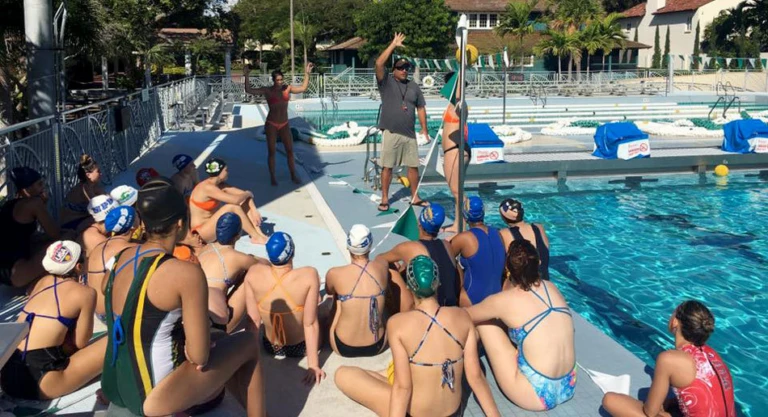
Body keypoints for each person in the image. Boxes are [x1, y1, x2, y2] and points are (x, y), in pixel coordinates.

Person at [100, 177, 266, 417]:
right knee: (247, 344)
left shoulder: (122, 258)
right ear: (180, 224)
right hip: (152, 395)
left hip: (117, 382)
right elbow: (199, 355)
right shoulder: (184, 273)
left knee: (213, 336)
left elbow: (122, 303)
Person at [335, 256, 500, 417]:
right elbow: (476, 378)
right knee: (391, 373)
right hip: (453, 412)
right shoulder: (462, 316)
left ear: (409, 286)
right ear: (438, 283)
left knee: (343, 374)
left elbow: (403, 388)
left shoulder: (398, 324)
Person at [466, 240, 576, 411]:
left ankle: (470, 370)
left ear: (507, 268)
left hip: (535, 395)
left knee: (483, 321)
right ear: (538, 263)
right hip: (568, 384)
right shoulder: (552, 287)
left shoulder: (503, 301)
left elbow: (465, 316)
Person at [0, 240, 107, 400]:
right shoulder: (85, 293)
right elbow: (81, 343)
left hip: (7, 376)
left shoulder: (40, 283)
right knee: (114, 341)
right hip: (41, 381)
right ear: (78, 267)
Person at [602, 300, 736, 417]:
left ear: (675, 322)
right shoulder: (712, 354)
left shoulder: (669, 359)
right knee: (669, 403)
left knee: (611, 400)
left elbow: (650, 412)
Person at [243, 232, 325, 385]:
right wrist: (313, 365)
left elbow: (252, 322)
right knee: (322, 307)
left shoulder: (253, 274)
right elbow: (310, 324)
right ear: (292, 252)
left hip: (271, 346)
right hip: (302, 348)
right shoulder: (309, 275)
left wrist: (251, 364)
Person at [374, 33, 430, 212]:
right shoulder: (387, 83)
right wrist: (393, 45)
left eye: (407, 67)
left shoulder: (414, 86)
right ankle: (384, 198)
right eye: (400, 67)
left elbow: (421, 108)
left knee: (413, 167)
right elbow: (378, 63)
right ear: (394, 70)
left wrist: (424, 129)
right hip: (392, 132)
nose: (404, 70)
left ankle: (414, 196)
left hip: (409, 134)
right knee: (387, 167)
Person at [243, 62, 314, 186]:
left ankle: (293, 175)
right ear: (273, 80)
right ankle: (272, 176)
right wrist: (246, 76)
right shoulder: (268, 90)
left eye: (281, 79)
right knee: (272, 152)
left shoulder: (287, 88)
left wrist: (307, 74)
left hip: (284, 124)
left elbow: (303, 88)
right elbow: (249, 90)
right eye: (278, 80)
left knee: (290, 151)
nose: (280, 82)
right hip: (271, 124)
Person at [377, 204, 460, 307]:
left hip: (427, 309)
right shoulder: (447, 245)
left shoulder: (409, 248)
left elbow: (380, 259)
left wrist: (395, 267)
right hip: (450, 308)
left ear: (419, 223)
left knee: (389, 268)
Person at [325, 224, 389, 357]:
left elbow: (329, 291)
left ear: (348, 246)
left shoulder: (335, 273)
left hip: (343, 346)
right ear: (370, 245)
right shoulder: (382, 267)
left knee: (338, 298)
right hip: (378, 345)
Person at [198, 213, 263, 332]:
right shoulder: (236, 257)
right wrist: (254, 257)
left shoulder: (204, 249)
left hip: (197, 317)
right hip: (217, 326)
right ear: (238, 235)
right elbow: (263, 267)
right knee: (251, 275)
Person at [0, 167, 61, 287]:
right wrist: (44, 205)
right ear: (27, 190)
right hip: (16, 274)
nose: (43, 187)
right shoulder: (34, 204)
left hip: (7, 270)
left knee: (44, 240)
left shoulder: (10, 204)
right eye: (39, 184)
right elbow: (55, 234)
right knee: (66, 239)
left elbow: (21, 237)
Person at [189, 158, 267, 245]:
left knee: (242, 200)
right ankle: (256, 236)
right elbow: (236, 200)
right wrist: (248, 193)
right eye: (226, 170)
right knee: (232, 207)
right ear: (219, 172)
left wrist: (254, 209)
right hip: (200, 233)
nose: (228, 172)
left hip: (212, 227)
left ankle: (258, 234)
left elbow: (242, 195)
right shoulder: (207, 187)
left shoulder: (219, 185)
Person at [85, 205, 139, 323]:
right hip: (112, 315)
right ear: (133, 225)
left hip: (97, 312)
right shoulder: (132, 249)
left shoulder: (99, 246)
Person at [450, 196, 505, 306]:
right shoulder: (498, 233)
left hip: (472, 299)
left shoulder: (464, 238)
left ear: (465, 216)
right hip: (498, 298)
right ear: (483, 213)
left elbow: (443, 255)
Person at [440, 72, 471, 235]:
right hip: (453, 151)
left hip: (455, 150)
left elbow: (459, 94)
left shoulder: (460, 103)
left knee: (458, 192)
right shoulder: (454, 104)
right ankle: (460, 224)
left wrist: (460, 72)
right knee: (457, 191)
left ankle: (466, 224)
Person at [498, 198, 551, 280]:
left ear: (503, 217)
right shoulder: (539, 227)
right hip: (545, 284)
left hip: (523, 286)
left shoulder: (503, 233)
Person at [60, 154, 105, 231]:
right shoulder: (86, 187)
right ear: (88, 175)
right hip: (71, 224)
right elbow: (99, 209)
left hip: (80, 220)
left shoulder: (92, 185)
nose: (101, 173)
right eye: (98, 171)